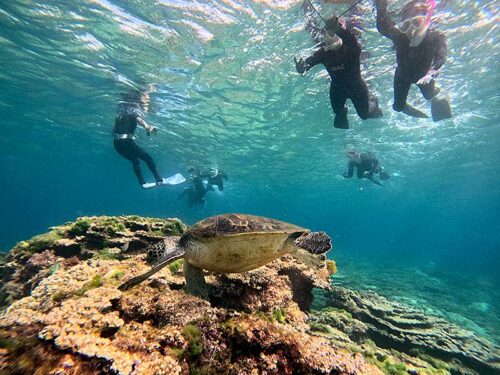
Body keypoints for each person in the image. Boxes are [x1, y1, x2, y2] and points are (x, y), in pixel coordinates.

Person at [295, 15, 382, 129]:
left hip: (357, 87)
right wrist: (302, 68)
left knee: (364, 115)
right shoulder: (324, 53)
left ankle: (373, 100)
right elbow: (309, 62)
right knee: (338, 113)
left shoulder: (351, 50)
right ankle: (344, 110)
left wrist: (339, 29)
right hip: (337, 88)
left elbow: (352, 41)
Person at [374, 0, 452, 121]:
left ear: (426, 20)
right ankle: (420, 109)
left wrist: (432, 72)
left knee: (429, 95)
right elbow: (383, 27)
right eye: (406, 25)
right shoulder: (400, 36)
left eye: (416, 22)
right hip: (402, 76)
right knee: (398, 107)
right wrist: (381, 7)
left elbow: (441, 57)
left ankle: (438, 96)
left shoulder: (435, 36)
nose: (411, 30)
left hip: (424, 77)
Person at [113, 90, 163, 188]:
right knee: (148, 158)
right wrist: (148, 127)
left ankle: (143, 183)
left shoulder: (121, 111)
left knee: (135, 161)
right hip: (127, 142)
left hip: (117, 144)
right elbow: (139, 119)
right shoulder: (134, 109)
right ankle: (159, 179)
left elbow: (115, 129)